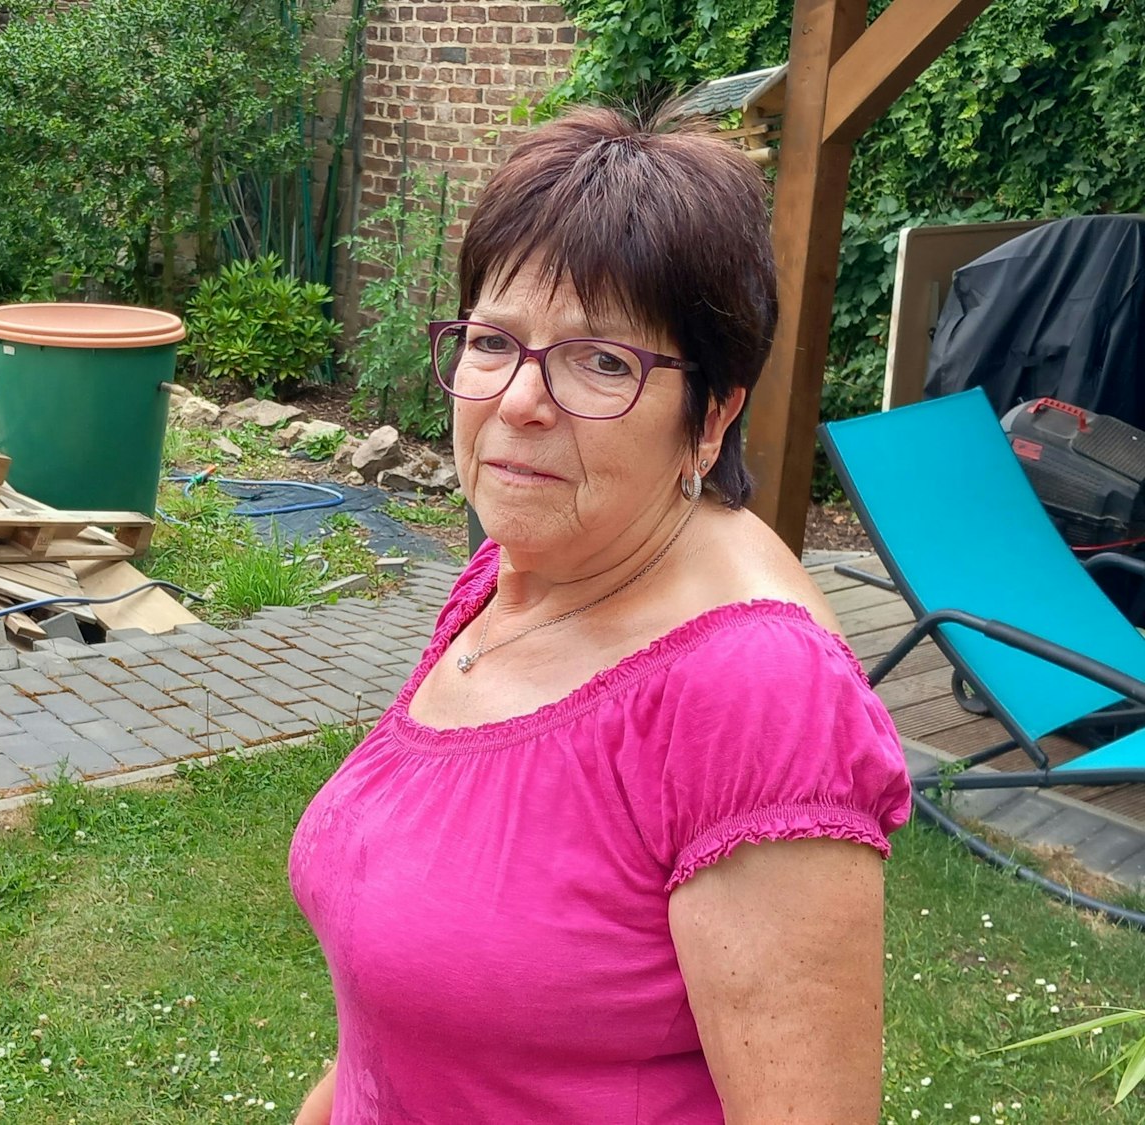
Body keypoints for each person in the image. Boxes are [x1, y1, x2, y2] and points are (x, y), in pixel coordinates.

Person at [287, 105, 912, 1124]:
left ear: (711, 415)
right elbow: (395, 1033)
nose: (518, 400)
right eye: (492, 341)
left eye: (602, 362)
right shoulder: (515, 573)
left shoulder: (755, 691)